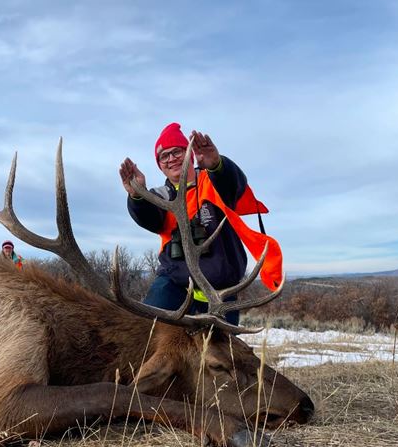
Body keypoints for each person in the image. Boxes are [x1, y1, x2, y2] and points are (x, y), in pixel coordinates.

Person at [119, 123, 282, 326]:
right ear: (159, 164)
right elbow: (149, 218)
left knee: (219, 353)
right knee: (148, 332)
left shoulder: (213, 181)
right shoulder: (160, 195)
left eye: (177, 151)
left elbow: (232, 183)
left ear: (188, 152)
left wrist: (216, 165)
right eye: (164, 156)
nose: (171, 159)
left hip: (221, 289)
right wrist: (138, 195)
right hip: (175, 284)